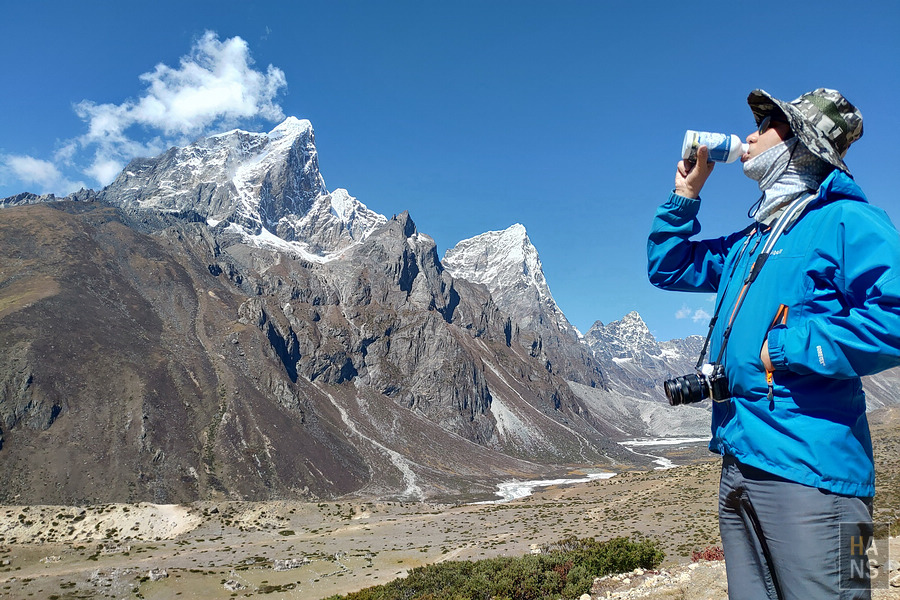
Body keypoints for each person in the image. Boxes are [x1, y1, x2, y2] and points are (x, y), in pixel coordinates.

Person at [647, 88, 900, 599]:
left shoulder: (850, 220)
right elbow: (667, 267)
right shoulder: (755, 238)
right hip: (740, 460)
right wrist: (685, 197)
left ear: (801, 142)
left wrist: (789, 347)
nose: (750, 133)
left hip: (821, 478)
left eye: (766, 122)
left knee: (850, 590)